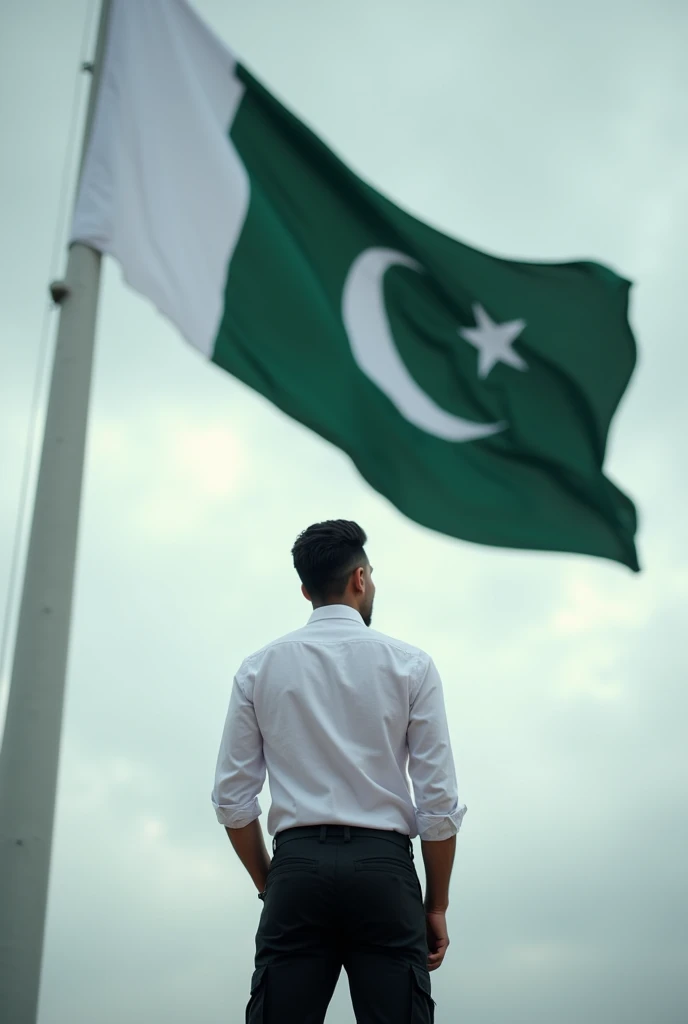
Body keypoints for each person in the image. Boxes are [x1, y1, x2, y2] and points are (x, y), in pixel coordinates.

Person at [211, 520, 466, 1023]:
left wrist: (274, 883)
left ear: (305, 589)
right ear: (360, 579)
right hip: (385, 872)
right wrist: (435, 906)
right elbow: (438, 806)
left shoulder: (258, 668)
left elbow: (233, 802)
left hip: (296, 866)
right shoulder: (412, 665)